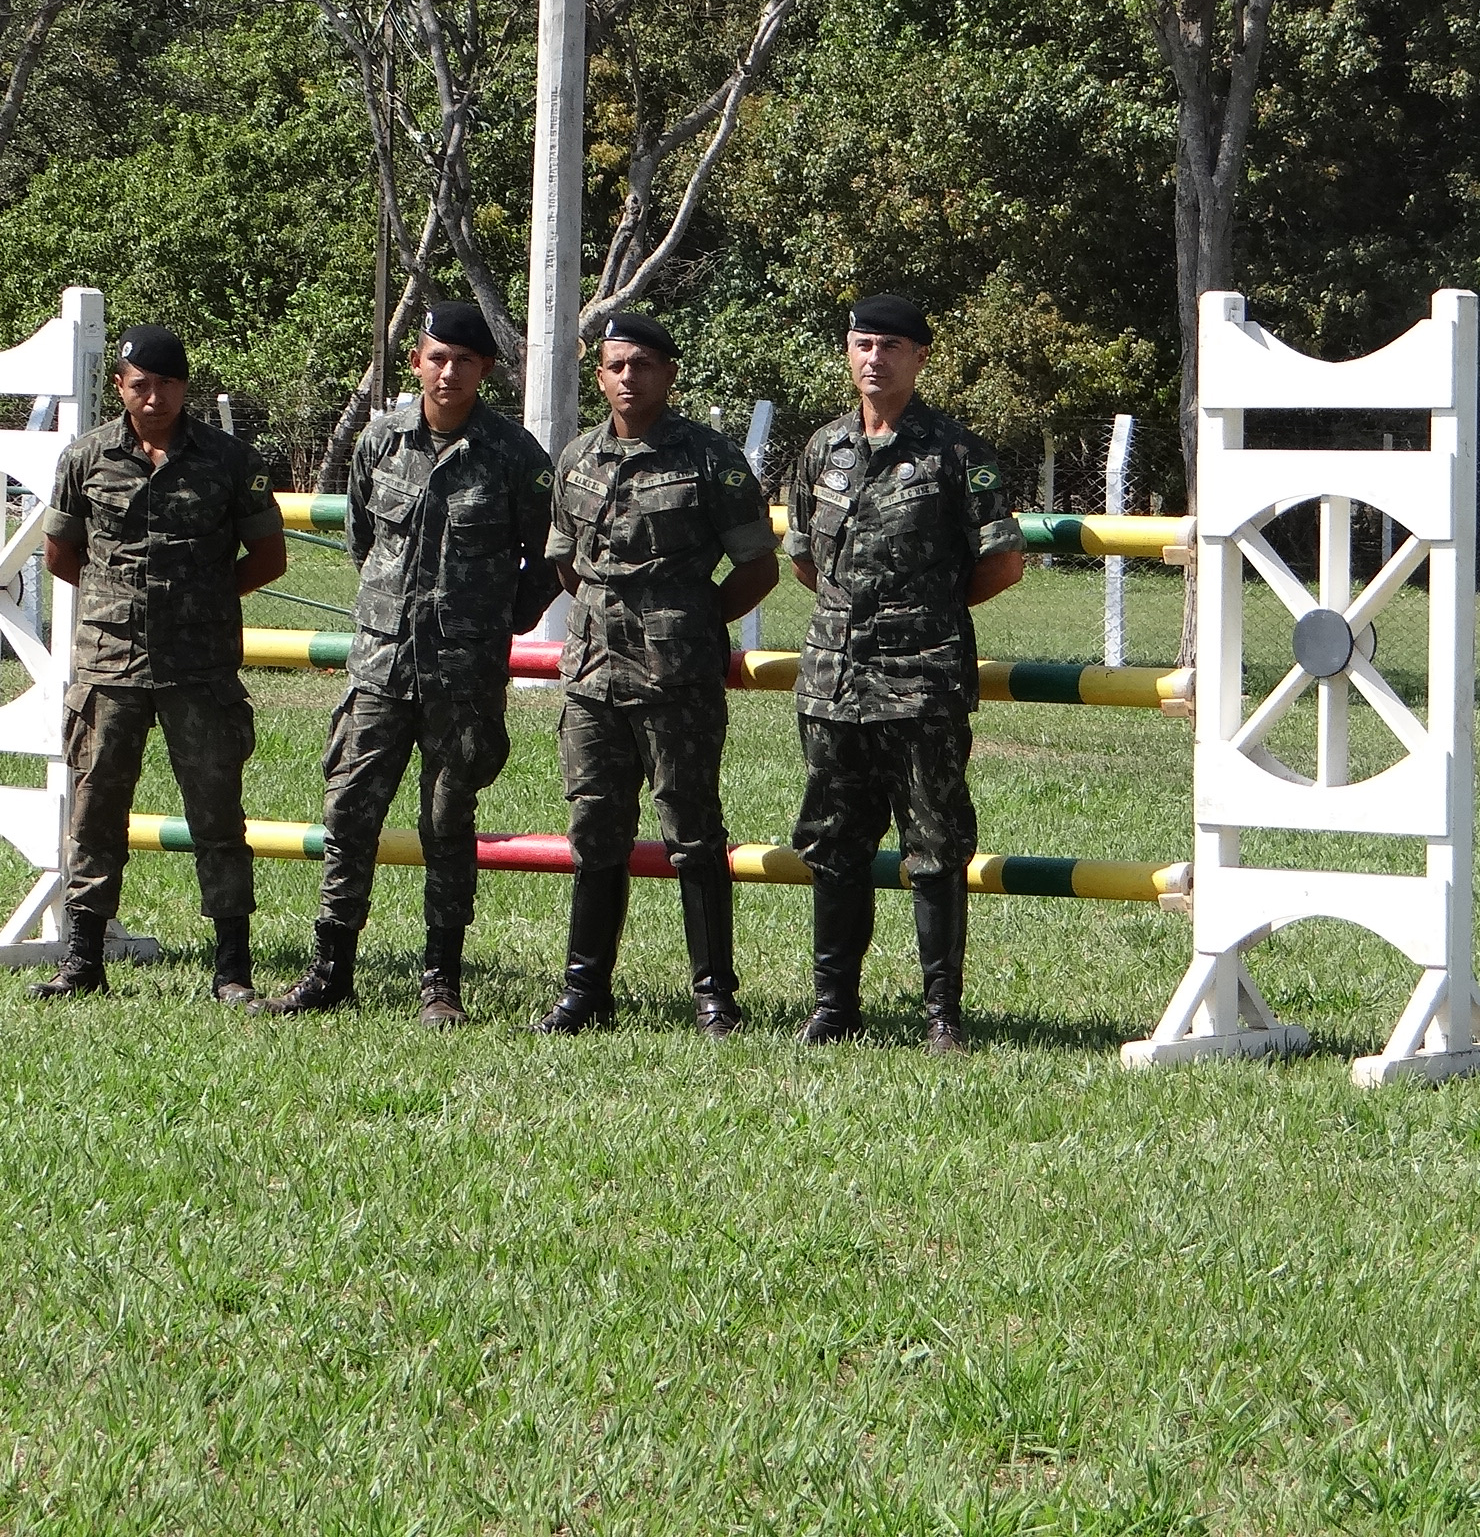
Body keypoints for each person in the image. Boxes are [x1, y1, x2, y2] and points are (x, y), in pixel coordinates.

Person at [260, 304, 556, 1022]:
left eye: (463, 360)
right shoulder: (382, 441)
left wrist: (504, 616)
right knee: (349, 811)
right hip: (380, 668)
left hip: (464, 671)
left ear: (485, 370)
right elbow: (365, 539)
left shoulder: (514, 456)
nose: (448, 371)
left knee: (447, 820)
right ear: (417, 362)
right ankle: (330, 969)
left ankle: (441, 982)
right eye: (436, 356)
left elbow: (549, 553)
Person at [785, 294, 1024, 1053]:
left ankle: (941, 1017)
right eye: (862, 344)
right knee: (834, 844)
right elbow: (804, 561)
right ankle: (833, 1007)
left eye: (890, 346)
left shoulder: (957, 452)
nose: (874, 359)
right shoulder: (823, 449)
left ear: (920, 358)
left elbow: (1003, 562)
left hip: (921, 684)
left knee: (935, 847)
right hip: (833, 685)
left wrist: (928, 615)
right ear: (847, 352)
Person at [537, 311, 780, 1036]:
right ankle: (584, 992)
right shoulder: (577, 457)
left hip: (676, 679)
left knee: (693, 832)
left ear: (668, 374)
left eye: (643, 364)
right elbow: (565, 561)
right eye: (615, 366)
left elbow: (758, 566)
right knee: (595, 830)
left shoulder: (710, 458)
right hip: (592, 677)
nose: (628, 378)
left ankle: (713, 996)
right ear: (601, 375)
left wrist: (692, 623)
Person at [34, 324, 289, 1002]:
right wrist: (124, 603)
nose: (154, 397)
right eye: (141, 384)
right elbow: (60, 554)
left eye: (167, 384)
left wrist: (203, 599)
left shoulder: (232, 461)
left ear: (186, 386)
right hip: (109, 664)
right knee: (95, 810)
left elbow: (268, 557)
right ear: (119, 385)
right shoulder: (86, 458)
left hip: (199, 668)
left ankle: (232, 969)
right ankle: (82, 960)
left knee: (217, 817)